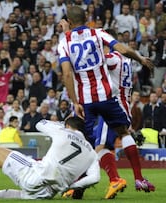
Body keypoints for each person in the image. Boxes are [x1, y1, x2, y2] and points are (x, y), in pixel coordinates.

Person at [58, 6, 155, 198]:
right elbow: (123, 49)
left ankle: (82, 184)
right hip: (107, 97)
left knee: (88, 144)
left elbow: (67, 73)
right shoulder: (97, 32)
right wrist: (140, 58)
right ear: (87, 18)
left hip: (85, 100)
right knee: (122, 132)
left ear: (69, 21)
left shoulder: (64, 42)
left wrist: (75, 101)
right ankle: (135, 177)